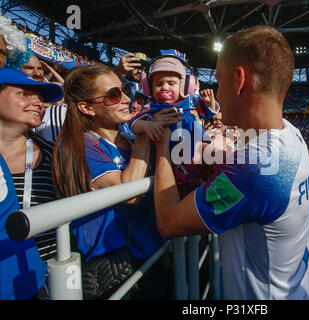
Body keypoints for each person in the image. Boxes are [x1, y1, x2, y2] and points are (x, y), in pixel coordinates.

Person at [153, 26, 309, 299]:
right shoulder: (291, 134)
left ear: (239, 80)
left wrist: (161, 147)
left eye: (219, 81)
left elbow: (169, 221)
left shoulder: (255, 169)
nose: (217, 92)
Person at [52, 65, 169, 299]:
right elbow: (130, 194)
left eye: (124, 90)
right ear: (86, 107)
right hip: (114, 265)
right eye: (113, 95)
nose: (126, 99)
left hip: (151, 252)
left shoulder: (128, 137)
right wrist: (145, 135)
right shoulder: (80, 145)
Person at [0, 67, 64, 299]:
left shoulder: (55, 154)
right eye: (24, 94)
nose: (38, 102)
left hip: (49, 278)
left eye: (41, 98)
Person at [131, 51, 220, 196]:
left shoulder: (190, 101)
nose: (165, 87)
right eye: (159, 84)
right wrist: (148, 125)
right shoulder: (152, 106)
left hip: (195, 154)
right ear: (149, 88)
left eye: (171, 83)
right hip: (171, 160)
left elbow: (207, 114)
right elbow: (134, 124)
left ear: (185, 86)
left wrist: (211, 104)